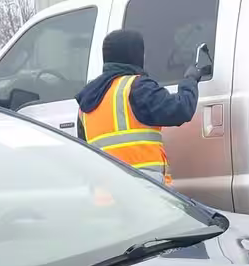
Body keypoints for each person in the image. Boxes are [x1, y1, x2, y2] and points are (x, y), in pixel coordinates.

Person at [76, 29, 212, 185]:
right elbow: (180, 109)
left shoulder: (87, 97)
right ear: (134, 55)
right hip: (143, 190)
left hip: (106, 193)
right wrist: (190, 80)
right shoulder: (136, 86)